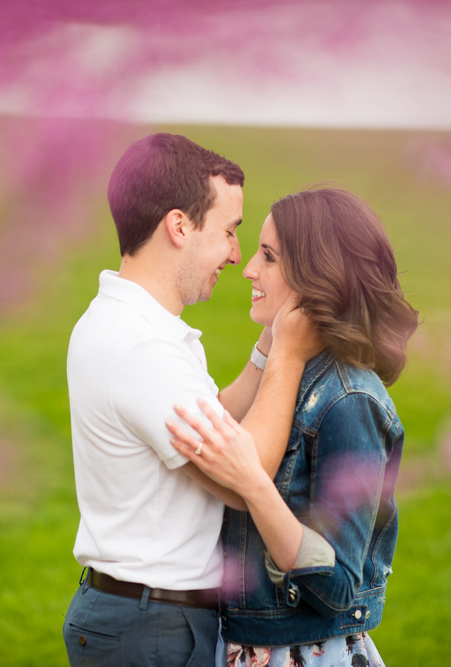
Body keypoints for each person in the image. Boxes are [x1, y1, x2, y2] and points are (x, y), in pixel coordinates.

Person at [63, 134, 324, 667]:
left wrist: (265, 345)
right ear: (179, 226)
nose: (236, 255)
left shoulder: (136, 325)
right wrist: (289, 358)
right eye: (229, 232)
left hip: (143, 615)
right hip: (153, 626)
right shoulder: (141, 349)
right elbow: (240, 473)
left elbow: (217, 421)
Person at [167, 187, 419, 666]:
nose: (248, 269)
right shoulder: (292, 376)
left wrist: (254, 487)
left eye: (269, 257)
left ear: (315, 276)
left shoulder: (349, 401)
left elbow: (339, 584)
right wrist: (273, 348)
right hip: (248, 644)